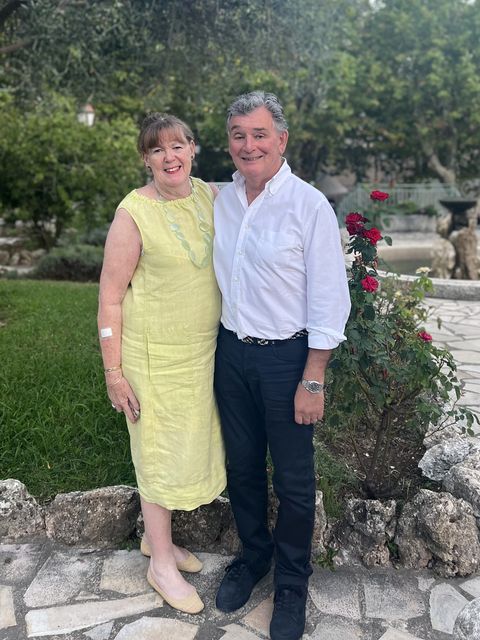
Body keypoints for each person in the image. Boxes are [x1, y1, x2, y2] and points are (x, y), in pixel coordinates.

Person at [213, 91, 350, 640]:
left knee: (293, 481)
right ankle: (255, 557)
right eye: (239, 135)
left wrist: (312, 377)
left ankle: (292, 584)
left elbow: (329, 298)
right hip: (231, 355)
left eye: (259, 134)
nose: (249, 145)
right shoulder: (221, 199)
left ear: (282, 140)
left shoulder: (309, 205)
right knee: (242, 468)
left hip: (288, 359)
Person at [97, 113, 226, 615]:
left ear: (194, 149)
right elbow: (110, 297)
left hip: (200, 353)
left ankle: (160, 541)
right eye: (157, 150)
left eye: (178, 146)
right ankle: (160, 565)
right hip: (151, 358)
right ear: (145, 159)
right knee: (157, 453)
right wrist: (114, 372)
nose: (169, 157)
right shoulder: (133, 214)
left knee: (184, 449)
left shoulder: (209, 197)